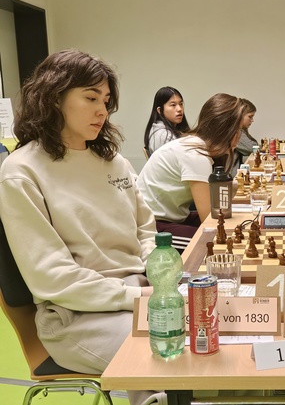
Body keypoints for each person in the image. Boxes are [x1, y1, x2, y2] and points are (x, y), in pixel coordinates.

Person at [0, 50, 165, 405]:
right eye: (91, 98)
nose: (102, 110)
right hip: (76, 317)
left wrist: (159, 273)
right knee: (165, 349)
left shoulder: (113, 161)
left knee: (212, 329)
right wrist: (138, 298)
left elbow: (145, 230)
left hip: (139, 293)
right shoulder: (21, 171)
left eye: (105, 101)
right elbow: (53, 277)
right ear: (53, 98)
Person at [137, 93, 245, 251]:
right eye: (239, 130)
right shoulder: (196, 155)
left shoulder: (199, 146)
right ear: (226, 131)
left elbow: (218, 207)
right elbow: (208, 218)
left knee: (232, 225)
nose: (239, 136)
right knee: (212, 243)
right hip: (153, 226)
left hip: (174, 216)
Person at [143, 86, 190, 156]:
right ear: (160, 110)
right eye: (173, 105)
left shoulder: (168, 131)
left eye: (181, 104)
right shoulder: (164, 136)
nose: (179, 109)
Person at [231, 98, 258, 176]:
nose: (252, 120)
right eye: (250, 117)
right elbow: (252, 148)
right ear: (240, 115)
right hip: (231, 177)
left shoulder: (239, 130)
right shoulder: (234, 131)